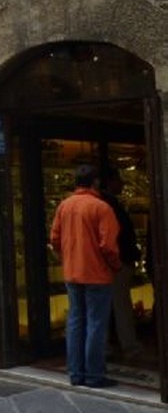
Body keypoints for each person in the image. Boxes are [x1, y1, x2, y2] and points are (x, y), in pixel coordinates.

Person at [50, 165, 121, 388]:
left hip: (73, 273)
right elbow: (108, 245)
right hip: (97, 274)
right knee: (96, 325)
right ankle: (94, 375)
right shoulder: (101, 208)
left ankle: (75, 372)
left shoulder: (64, 206)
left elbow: (55, 239)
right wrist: (115, 266)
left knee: (75, 323)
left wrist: (69, 257)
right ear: (95, 182)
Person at [102, 169, 143, 361]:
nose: (123, 184)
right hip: (115, 262)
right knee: (120, 305)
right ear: (111, 182)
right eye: (120, 180)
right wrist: (117, 261)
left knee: (105, 305)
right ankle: (128, 346)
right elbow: (113, 238)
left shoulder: (106, 204)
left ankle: (106, 345)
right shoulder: (108, 206)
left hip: (106, 264)